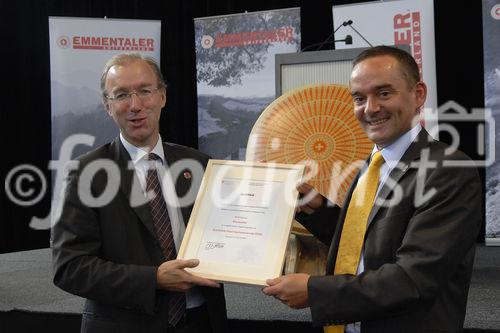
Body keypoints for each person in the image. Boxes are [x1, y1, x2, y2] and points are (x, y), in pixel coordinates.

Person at [263, 45, 482, 332]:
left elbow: (412, 279)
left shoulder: (449, 171)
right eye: (359, 97)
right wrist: (320, 211)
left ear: (418, 95)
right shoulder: (371, 165)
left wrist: (315, 292)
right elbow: (370, 245)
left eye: (383, 93)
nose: (371, 108)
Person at [52, 53, 228, 333]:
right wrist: (153, 279)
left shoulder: (199, 165)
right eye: (121, 95)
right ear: (107, 105)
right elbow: (69, 267)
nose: (135, 105)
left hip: (201, 321)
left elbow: (227, 235)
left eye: (145, 91)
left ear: (162, 97)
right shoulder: (85, 173)